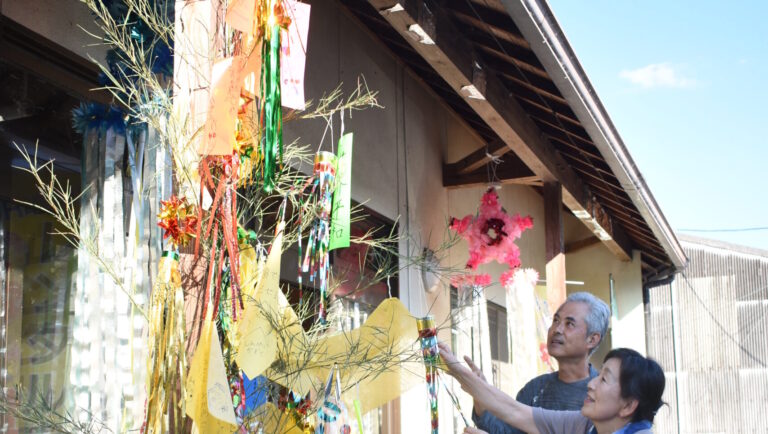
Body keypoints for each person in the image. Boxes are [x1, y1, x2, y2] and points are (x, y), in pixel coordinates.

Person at [471, 292, 611, 434]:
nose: (557, 329)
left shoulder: (602, 394)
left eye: (569, 324)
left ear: (592, 339)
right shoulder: (535, 389)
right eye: (556, 320)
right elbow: (508, 431)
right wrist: (482, 403)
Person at [441, 345, 665, 434]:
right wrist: (461, 373)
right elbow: (516, 412)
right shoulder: (586, 424)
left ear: (627, 405)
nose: (590, 383)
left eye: (603, 380)